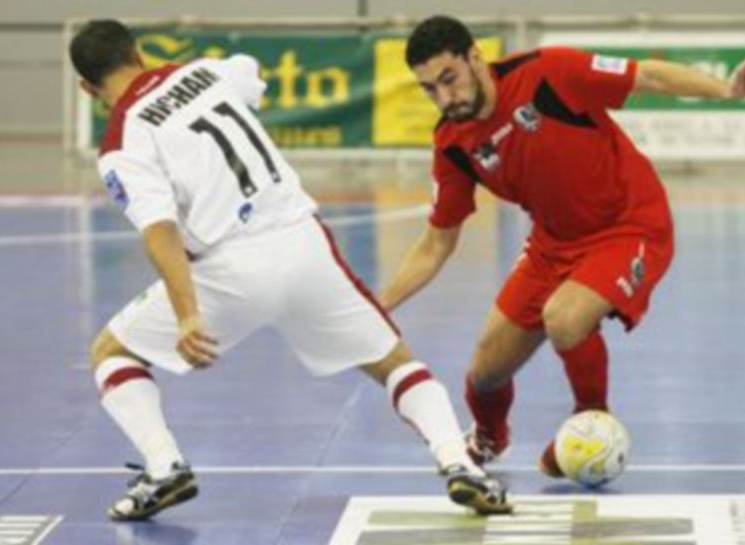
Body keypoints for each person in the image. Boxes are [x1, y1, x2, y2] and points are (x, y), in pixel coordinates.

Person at [69, 19, 511, 521]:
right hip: (304, 245)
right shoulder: (208, 72)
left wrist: (187, 312)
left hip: (229, 268)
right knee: (395, 362)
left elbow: (159, 228)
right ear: (138, 53)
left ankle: (165, 464)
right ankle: (460, 464)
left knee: (110, 352)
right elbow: (249, 74)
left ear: (87, 88)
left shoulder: (122, 143)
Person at [379, 15, 745, 477]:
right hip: (552, 244)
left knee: (564, 317)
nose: (445, 98)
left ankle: (592, 425)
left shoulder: (550, 72)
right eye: (429, 89)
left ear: (475, 58)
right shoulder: (453, 144)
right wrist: (378, 305)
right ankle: (488, 437)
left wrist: (726, 91)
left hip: (630, 225)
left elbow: (649, 75)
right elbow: (435, 245)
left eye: (449, 79)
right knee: (484, 374)